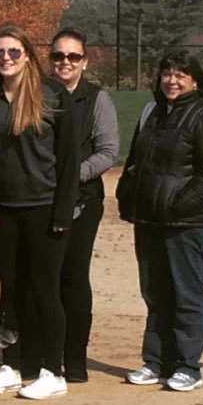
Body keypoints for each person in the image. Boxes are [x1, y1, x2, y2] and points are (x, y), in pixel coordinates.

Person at [0, 26, 78, 401]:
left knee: (45, 290)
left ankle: (54, 370)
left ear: (28, 55)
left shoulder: (52, 95)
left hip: (45, 208)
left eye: (14, 52)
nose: (6, 59)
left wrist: (63, 211)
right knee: (11, 290)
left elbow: (68, 161)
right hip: (4, 211)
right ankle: (12, 366)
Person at [118, 51, 203, 392]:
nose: (172, 80)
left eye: (180, 74)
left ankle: (188, 365)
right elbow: (135, 160)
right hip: (148, 220)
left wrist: (179, 206)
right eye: (167, 73)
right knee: (155, 292)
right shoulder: (153, 111)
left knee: (186, 294)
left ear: (194, 79)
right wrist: (126, 194)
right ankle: (156, 361)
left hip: (184, 224)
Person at [50, 28, 118, 383]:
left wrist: (69, 176)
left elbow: (108, 152)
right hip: (42, 202)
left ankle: (74, 360)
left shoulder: (96, 99)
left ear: (84, 62)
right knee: (45, 281)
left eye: (73, 56)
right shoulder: (41, 94)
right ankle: (45, 355)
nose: (65, 62)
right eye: (59, 56)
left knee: (74, 279)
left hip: (81, 202)